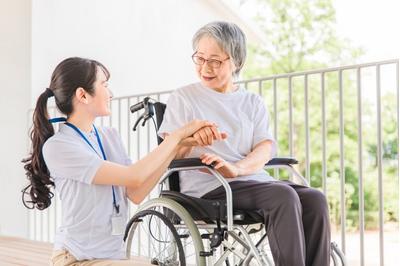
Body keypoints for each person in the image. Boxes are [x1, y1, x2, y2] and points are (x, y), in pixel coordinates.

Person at [158, 21, 331, 266]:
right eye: (200, 58)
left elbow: (264, 147)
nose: (205, 67)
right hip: (209, 187)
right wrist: (192, 138)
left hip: (250, 181)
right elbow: (169, 154)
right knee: (282, 195)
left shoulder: (251, 102)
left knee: (315, 198)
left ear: (236, 61)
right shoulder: (184, 97)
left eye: (215, 61)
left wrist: (237, 168)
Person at [22, 57, 223, 265]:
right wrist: (175, 137)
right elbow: (133, 176)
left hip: (111, 257)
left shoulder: (109, 136)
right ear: (82, 95)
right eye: (104, 85)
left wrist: (179, 146)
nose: (110, 93)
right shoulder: (59, 146)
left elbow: (135, 191)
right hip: (76, 258)